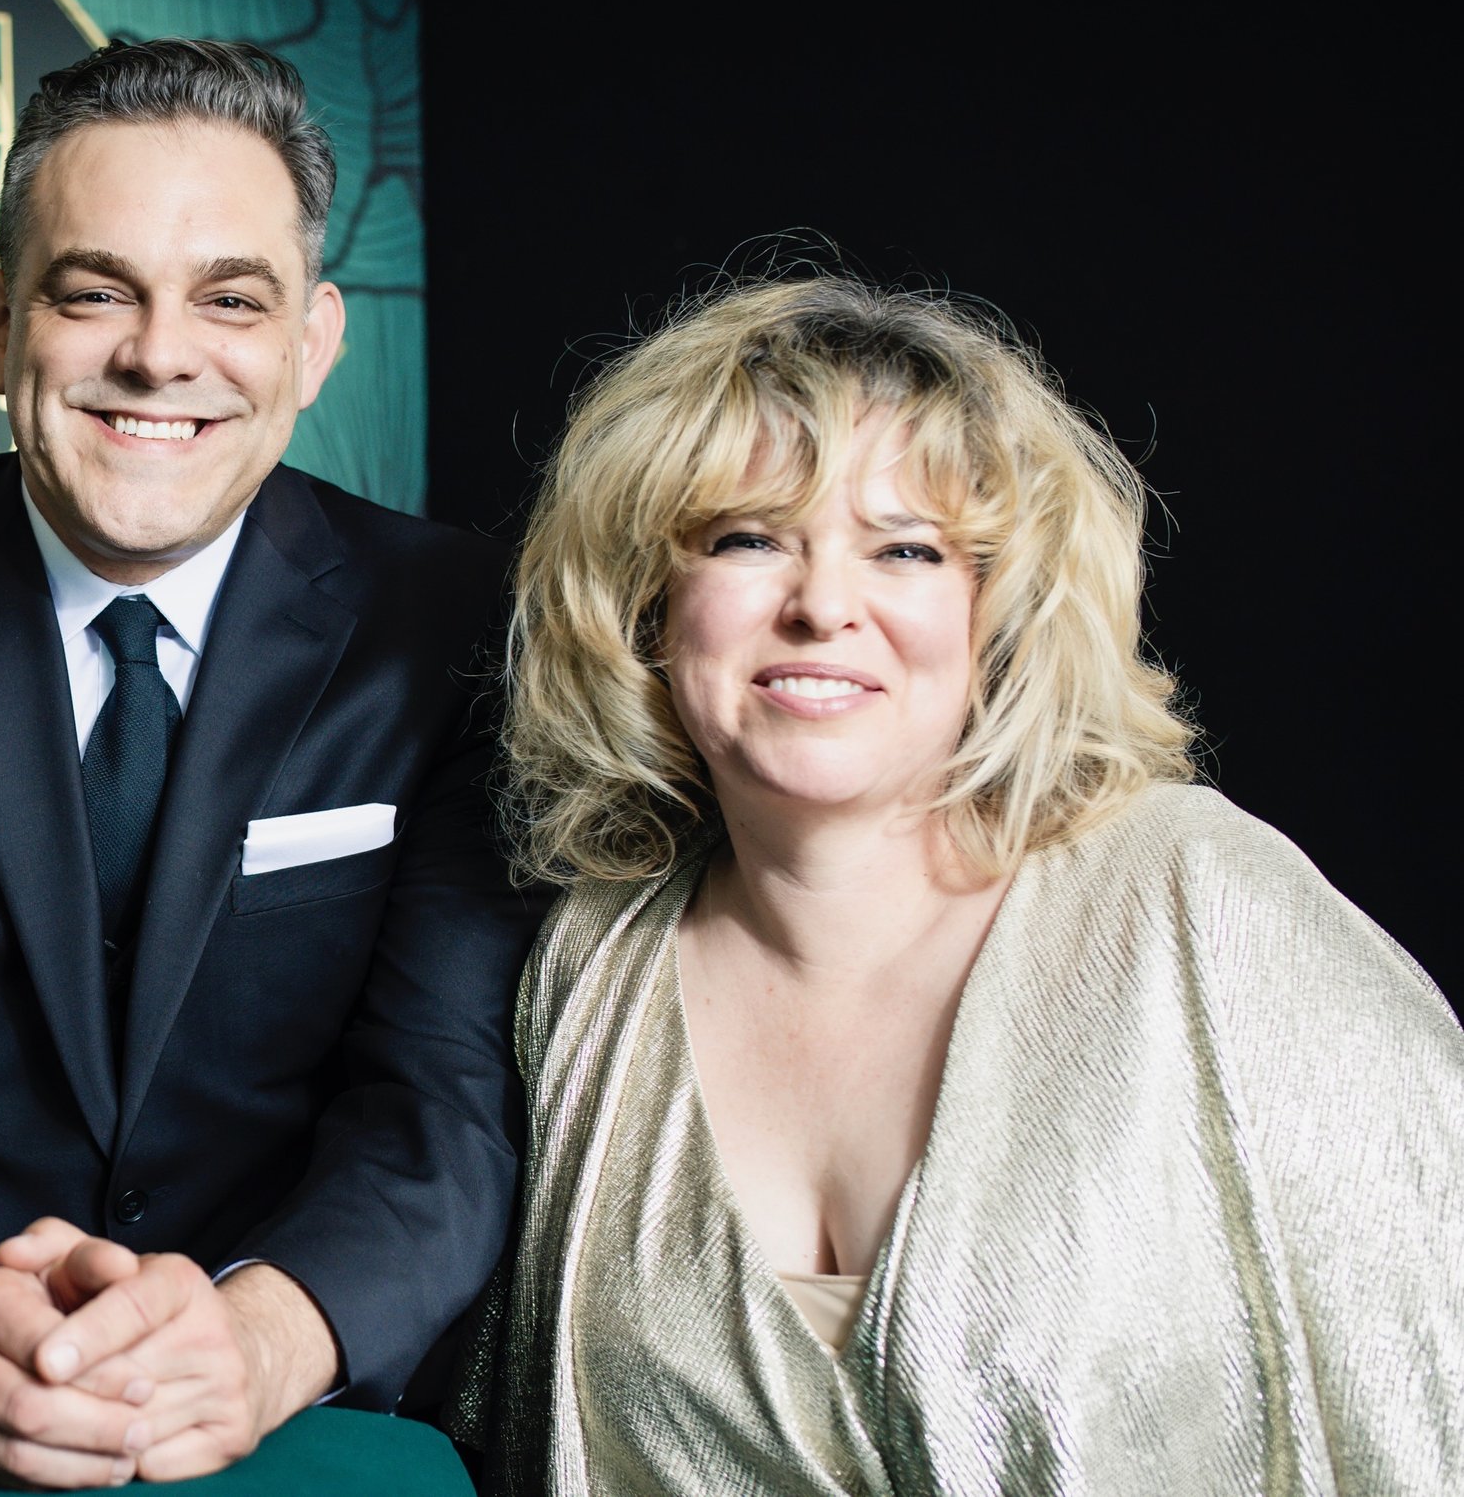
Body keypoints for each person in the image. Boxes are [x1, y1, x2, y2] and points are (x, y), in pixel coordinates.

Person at [0, 38, 538, 1486]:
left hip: (311, 1421)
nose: (159, 353)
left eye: (231, 299)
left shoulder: (451, 624)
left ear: (315, 341)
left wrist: (260, 1341)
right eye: (95, 293)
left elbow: (444, 1100)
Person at [461, 274, 1464, 1494]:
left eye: (906, 549)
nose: (824, 604)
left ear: (998, 614)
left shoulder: (1202, 904)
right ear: (648, 603)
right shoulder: (589, 962)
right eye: (747, 537)